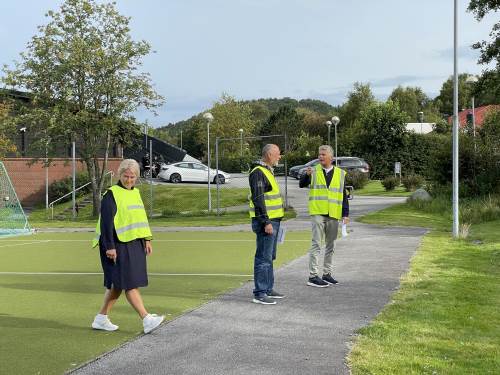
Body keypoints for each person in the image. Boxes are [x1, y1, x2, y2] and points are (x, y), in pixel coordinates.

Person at [91, 159, 164, 333]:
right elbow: (106, 223)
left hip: (133, 243)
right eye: (126, 176)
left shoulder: (135, 193)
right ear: (120, 174)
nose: (129, 180)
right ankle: (146, 319)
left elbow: (140, 218)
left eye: (132, 177)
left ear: (137, 177)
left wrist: (147, 238)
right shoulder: (111, 194)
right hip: (115, 245)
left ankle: (101, 319)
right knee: (129, 283)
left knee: (118, 284)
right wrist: (109, 247)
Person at [299, 145, 349, 287]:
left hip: (333, 213)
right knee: (316, 243)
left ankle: (327, 274)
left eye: (323, 154)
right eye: (319, 154)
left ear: (331, 157)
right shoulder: (313, 170)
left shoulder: (340, 174)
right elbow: (302, 184)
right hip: (318, 212)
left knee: (330, 245)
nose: (320, 157)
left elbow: (343, 195)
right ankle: (313, 276)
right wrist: (306, 175)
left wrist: (345, 214)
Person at [248, 144, 285, 305]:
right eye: (277, 154)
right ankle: (260, 292)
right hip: (266, 222)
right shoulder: (258, 172)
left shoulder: (267, 171)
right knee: (263, 257)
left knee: (269, 256)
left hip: (273, 221)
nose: (279, 157)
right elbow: (258, 199)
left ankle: (268, 289)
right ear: (269, 154)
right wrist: (266, 222)